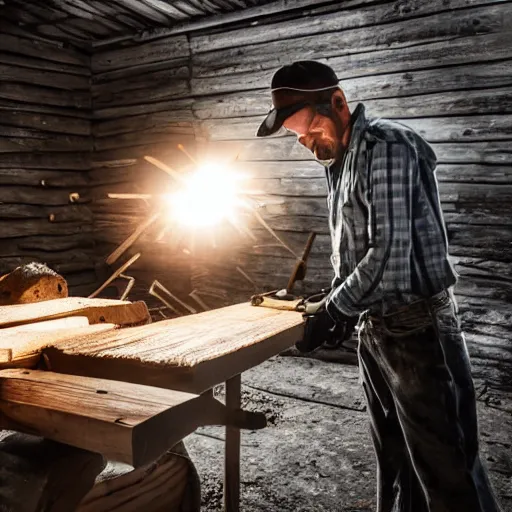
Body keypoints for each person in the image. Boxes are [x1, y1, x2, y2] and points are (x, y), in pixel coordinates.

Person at [256, 60, 502, 512]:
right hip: (376, 329)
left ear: (337, 103)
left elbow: (387, 252)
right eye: (299, 138)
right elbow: (353, 253)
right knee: (396, 464)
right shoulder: (339, 161)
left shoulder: (388, 146)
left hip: (418, 330)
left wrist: (336, 310)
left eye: (310, 129)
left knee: (447, 470)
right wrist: (332, 301)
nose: (308, 144)